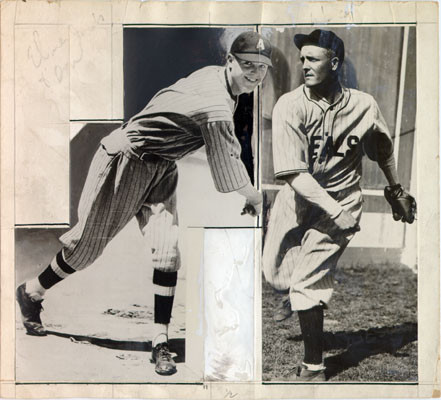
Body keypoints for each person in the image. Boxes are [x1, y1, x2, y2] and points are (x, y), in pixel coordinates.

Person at [16, 31, 272, 376]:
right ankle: (31, 293)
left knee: (167, 251)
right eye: (248, 66)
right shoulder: (216, 101)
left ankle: (159, 341)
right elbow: (225, 161)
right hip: (127, 157)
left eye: (262, 67)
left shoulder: (218, 81)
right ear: (230, 62)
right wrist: (255, 196)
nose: (255, 74)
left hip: (161, 167)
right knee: (85, 250)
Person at [262, 29, 416, 381]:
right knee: (274, 274)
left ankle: (314, 368)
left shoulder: (364, 104)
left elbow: (382, 150)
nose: (304, 65)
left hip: (343, 199)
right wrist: (334, 211)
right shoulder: (290, 105)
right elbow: (295, 176)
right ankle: (301, 299)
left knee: (306, 282)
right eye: (301, 59)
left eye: (312, 59)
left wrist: (396, 190)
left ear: (335, 63)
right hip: (299, 198)